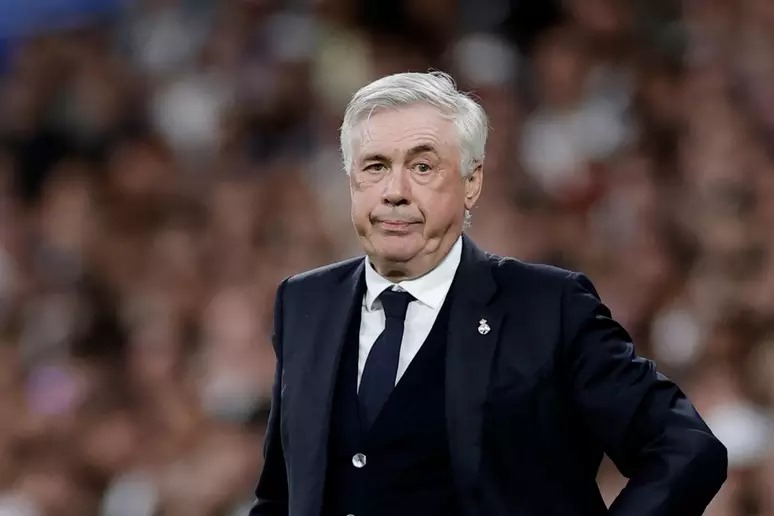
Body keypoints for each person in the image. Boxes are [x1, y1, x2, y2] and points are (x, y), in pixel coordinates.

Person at [249, 71, 727, 516]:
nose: (394, 191)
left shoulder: (549, 307)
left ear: (471, 182)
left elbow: (685, 447)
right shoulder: (305, 302)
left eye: (422, 166)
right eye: (375, 166)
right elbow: (280, 496)